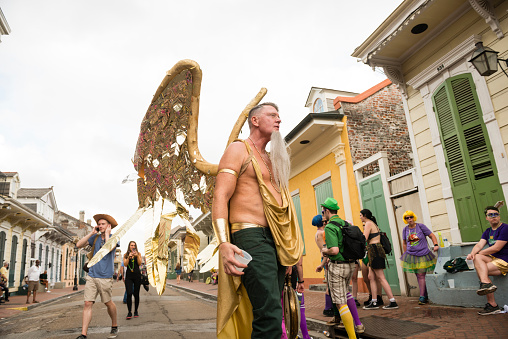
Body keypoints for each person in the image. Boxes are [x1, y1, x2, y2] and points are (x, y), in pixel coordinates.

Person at [212, 102, 303, 339]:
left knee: (273, 311)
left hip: (275, 240)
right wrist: (223, 242)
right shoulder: (238, 149)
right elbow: (220, 195)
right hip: (250, 236)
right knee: (270, 313)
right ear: (255, 120)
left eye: (279, 116)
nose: (279, 120)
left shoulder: (273, 159)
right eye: (272, 115)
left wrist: (288, 250)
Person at [317, 197, 364, 338]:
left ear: (326, 211)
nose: (322, 213)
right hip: (350, 265)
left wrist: (325, 251)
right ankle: (358, 325)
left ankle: (352, 337)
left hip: (337, 267)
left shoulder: (331, 226)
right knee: (345, 294)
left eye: (323, 211)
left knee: (340, 303)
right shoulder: (344, 223)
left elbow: (335, 250)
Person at [75, 213, 120, 339]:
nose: (100, 226)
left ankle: (114, 325)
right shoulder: (95, 238)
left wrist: (107, 234)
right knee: (87, 303)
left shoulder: (114, 237)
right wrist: (91, 233)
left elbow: (109, 248)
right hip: (92, 274)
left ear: (108, 226)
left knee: (107, 302)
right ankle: (83, 334)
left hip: (105, 276)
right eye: (99, 224)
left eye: (103, 224)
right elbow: (79, 245)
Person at [467, 206, 508, 315]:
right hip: (494, 259)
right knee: (477, 259)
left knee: (480, 268)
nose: (494, 217)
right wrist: (472, 254)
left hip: (505, 260)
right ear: (486, 218)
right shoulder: (487, 231)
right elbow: (479, 244)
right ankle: (487, 287)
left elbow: (496, 248)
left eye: (496, 214)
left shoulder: (505, 228)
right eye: (490, 215)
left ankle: (492, 304)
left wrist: (479, 253)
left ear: (499, 216)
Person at [361, 209, 398, 310]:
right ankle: (374, 301)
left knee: (381, 278)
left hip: (374, 250)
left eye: (360, 215)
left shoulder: (368, 223)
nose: (360, 217)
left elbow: (364, 238)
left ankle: (392, 301)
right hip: (373, 251)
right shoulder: (372, 223)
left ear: (364, 215)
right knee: (371, 277)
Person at [400, 210, 438, 305]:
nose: (409, 219)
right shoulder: (405, 230)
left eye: (411, 217)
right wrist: (406, 254)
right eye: (407, 218)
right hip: (411, 256)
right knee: (418, 275)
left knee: (421, 275)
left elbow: (431, 235)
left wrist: (436, 244)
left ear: (414, 217)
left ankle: (422, 297)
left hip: (423, 254)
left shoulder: (421, 226)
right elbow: (404, 243)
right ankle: (424, 294)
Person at [312, 214, 335, 317]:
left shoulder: (318, 233)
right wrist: (323, 263)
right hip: (327, 259)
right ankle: (328, 308)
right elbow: (325, 249)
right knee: (330, 285)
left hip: (324, 259)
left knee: (329, 284)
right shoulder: (322, 233)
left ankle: (329, 307)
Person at [123, 240, 142, 319]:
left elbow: (140, 263)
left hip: (137, 275)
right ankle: (129, 312)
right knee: (129, 293)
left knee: (136, 294)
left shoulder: (139, 254)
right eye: (131, 245)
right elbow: (125, 264)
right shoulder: (125, 254)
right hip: (129, 276)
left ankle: (136, 311)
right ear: (129, 246)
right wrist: (129, 257)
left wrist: (137, 256)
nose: (133, 247)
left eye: (134, 245)